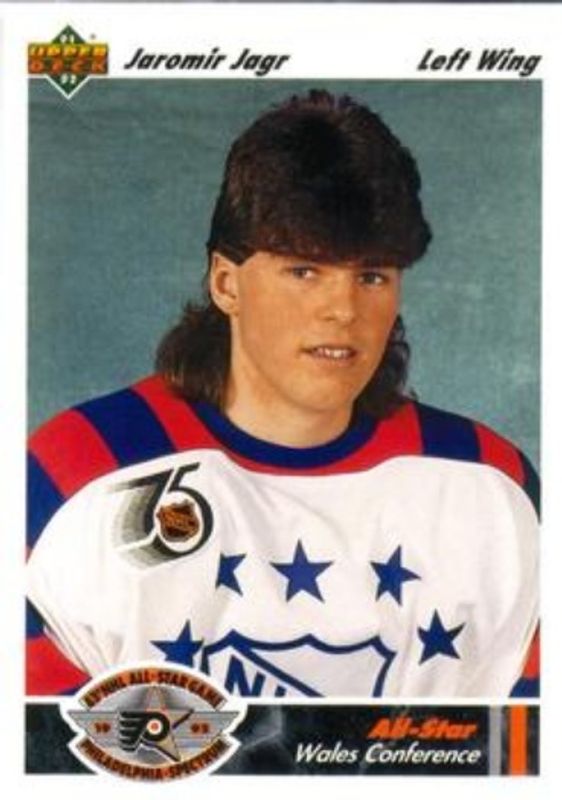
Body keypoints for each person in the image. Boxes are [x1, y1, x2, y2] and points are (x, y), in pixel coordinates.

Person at [26, 89, 539, 699]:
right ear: (226, 283)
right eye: (304, 270)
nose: (343, 309)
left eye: (372, 275)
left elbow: (530, 743)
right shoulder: (76, 469)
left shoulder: (490, 481)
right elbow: (39, 745)